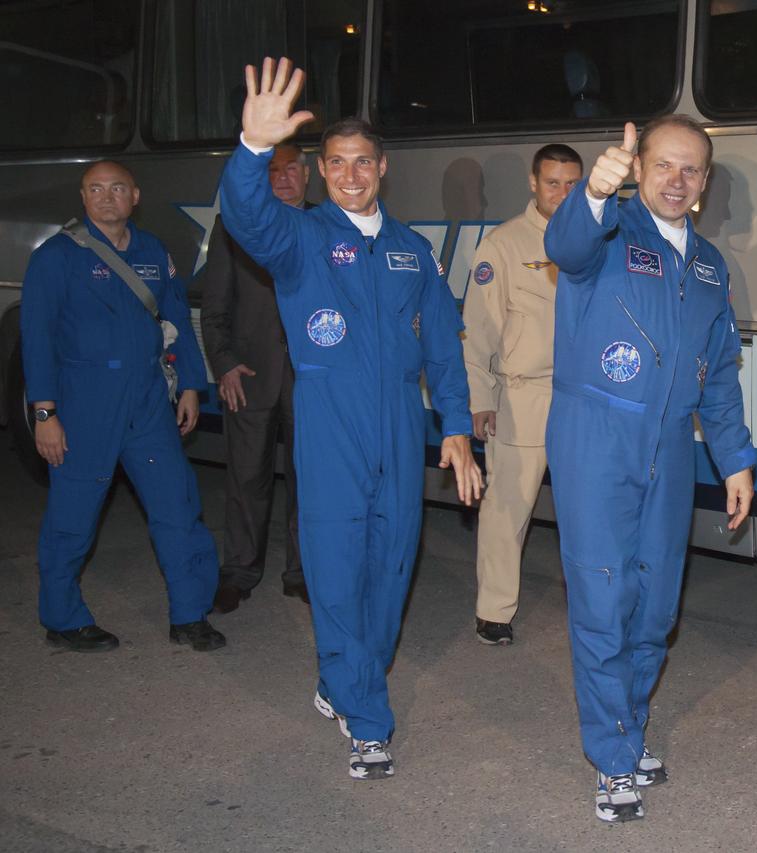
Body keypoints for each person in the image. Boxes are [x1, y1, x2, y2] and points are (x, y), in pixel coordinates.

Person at [217, 57, 483, 781]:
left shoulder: (411, 252)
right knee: (336, 572)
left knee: (391, 569)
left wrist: (454, 426)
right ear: (323, 171)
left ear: (383, 167)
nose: (350, 174)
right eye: (336, 163)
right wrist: (251, 148)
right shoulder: (301, 240)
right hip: (330, 426)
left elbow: (442, 347)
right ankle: (369, 720)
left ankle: (342, 678)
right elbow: (245, 214)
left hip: (400, 425)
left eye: (362, 161)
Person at [544, 115, 755, 822]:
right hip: (596, 436)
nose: (676, 179)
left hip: (670, 442)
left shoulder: (709, 266)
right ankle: (610, 758)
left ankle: (627, 730)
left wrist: (734, 460)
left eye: (691, 169)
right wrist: (592, 196)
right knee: (604, 599)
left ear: (704, 184)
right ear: (639, 170)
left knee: (656, 604)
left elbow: (719, 372)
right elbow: (565, 243)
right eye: (663, 165)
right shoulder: (606, 234)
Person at [21, 160, 224, 653]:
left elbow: (176, 314)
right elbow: (36, 340)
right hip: (84, 403)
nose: (106, 197)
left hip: (148, 401)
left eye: (117, 188)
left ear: (135, 196)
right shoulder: (56, 256)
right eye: (95, 188)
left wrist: (192, 386)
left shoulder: (154, 251)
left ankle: (190, 613)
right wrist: (45, 414)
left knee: (177, 507)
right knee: (73, 514)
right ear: (83, 196)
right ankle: (63, 617)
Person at [463, 143, 583, 646]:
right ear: (534, 184)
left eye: (572, 183)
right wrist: (480, 398)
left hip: (582, 402)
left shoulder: (595, 240)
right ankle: (494, 611)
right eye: (552, 182)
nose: (562, 192)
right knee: (507, 512)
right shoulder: (504, 245)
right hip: (522, 399)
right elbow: (480, 327)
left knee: (590, 514)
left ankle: (592, 611)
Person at [202, 142, 311, 613]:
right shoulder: (234, 227)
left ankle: (304, 573)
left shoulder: (329, 225)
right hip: (249, 373)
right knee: (246, 478)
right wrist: (223, 362)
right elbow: (215, 306)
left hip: (315, 379)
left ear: (309, 175)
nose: (283, 177)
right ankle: (239, 571)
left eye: (292, 169)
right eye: (273, 171)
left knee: (312, 481)